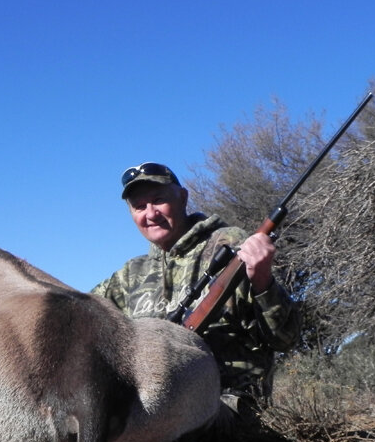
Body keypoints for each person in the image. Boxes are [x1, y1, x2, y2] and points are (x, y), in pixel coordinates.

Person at [91, 162, 301, 414]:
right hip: (156, 410)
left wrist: (262, 280)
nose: (150, 213)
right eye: (139, 206)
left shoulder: (230, 244)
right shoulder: (130, 275)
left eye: (158, 200)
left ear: (183, 198)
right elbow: (79, 310)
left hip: (228, 407)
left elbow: (285, 339)